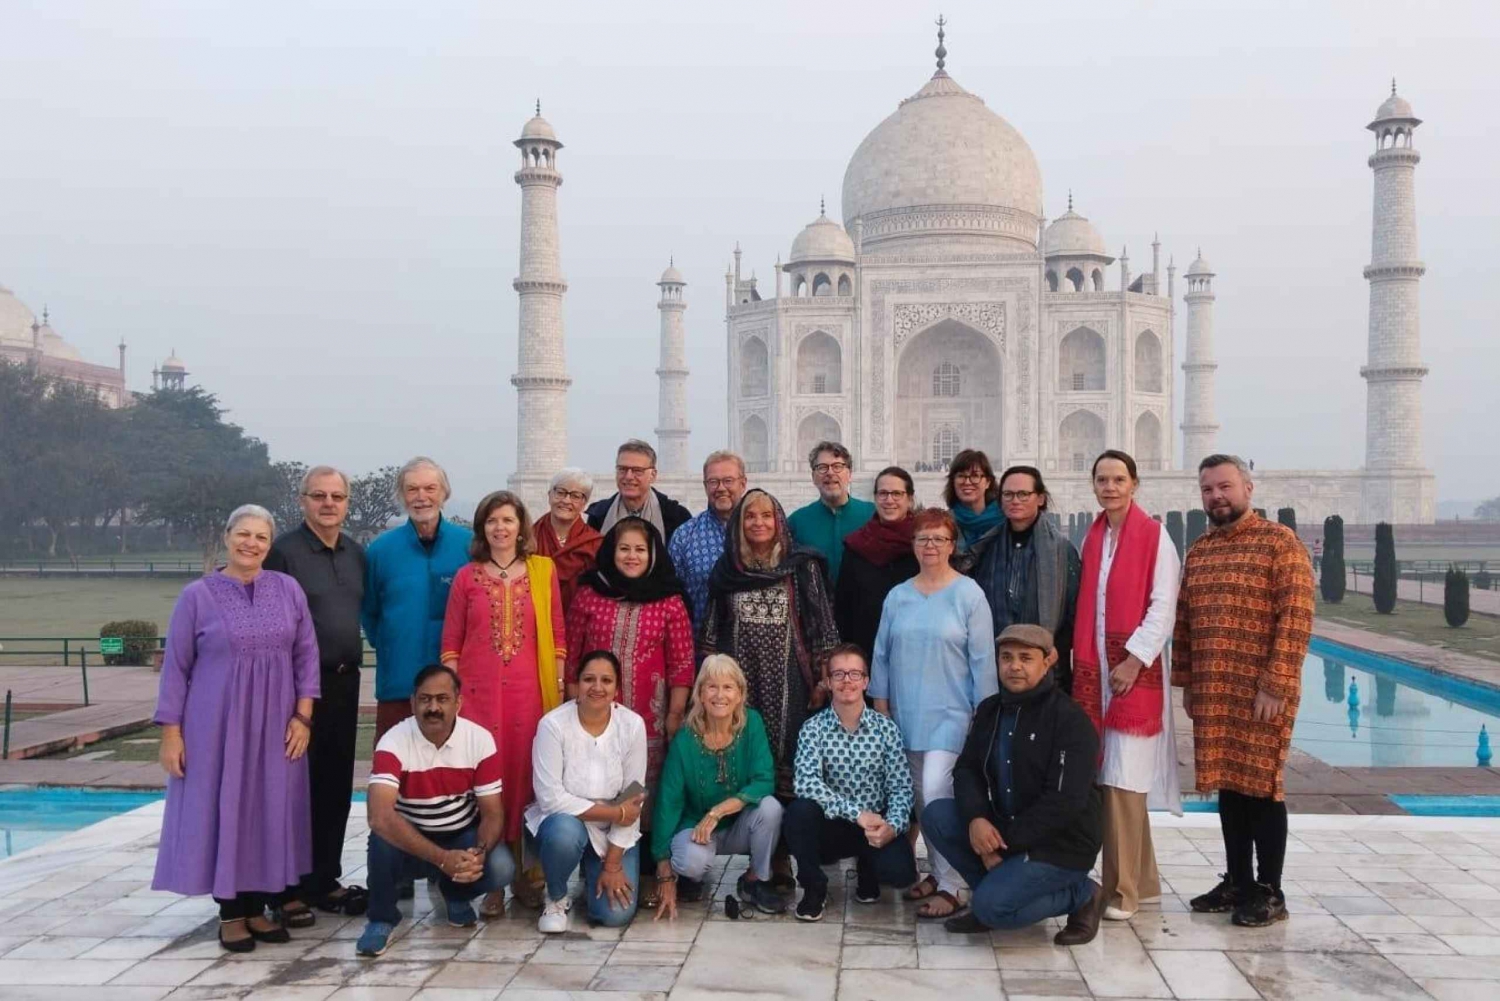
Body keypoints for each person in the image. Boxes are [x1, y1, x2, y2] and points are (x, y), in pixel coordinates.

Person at [153, 505, 320, 952]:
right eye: (243, 534)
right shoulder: (197, 596)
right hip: (214, 727)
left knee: (268, 809)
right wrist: (171, 732)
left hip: (277, 725)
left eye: (261, 537)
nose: (251, 544)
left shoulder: (287, 590)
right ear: (227, 536)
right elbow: (176, 668)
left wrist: (303, 716)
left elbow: (306, 657)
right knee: (223, 808)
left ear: (270, 544)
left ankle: (257, 907)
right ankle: (230, 912)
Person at [1174, 454, 1314, 927]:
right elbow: (1185, 623)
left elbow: (1295, 617)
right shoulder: (1200, 550)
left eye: (1225, 487)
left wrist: (1275, 684)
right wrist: (1189, 683)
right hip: (1215, 688)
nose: (1217, 496)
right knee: (1230, 787)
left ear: (1248, 489)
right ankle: (1237, 881)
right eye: (1209, 489)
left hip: (1261, 691)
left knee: (1262, 788)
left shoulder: (1280, 543)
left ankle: (1270, 891)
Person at [920, 624, 1104, 944]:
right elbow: (967, 770)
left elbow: (1063, 803)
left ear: (1047, 662)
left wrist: (1001, 846)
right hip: (1008, 830)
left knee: (993, 909)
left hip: (1059, 847)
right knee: (937, 813)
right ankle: (997, 888)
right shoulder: (992, 710)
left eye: (1025, 658)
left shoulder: (1069, 720)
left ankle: (1083, 894)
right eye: (1006, 657)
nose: (1014, 666)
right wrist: (978, 818)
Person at [441, 490, 565, 915]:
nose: (500, 528)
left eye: (507, 520)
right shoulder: (466, 577)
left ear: (521, 526)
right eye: (492, 520)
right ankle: (491, 880)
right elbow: (451, 644)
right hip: (477, 700)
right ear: (482, 528)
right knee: (484, 786)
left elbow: (558, 639)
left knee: (526, 782)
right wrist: (456, 700)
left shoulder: (542, 573)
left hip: (530, 698)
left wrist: (559, 689)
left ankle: (528, 879)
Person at [870, 507, 997, 920]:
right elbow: (882, 655)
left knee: (938, 794)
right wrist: (882, 707)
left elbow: (982, 660)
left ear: (952, 544)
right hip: (906, 712)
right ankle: (942, 873)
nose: (930, 546)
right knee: (922, 802)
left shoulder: (969, 595)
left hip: (952, 713)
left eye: (939, 539)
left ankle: (955, 886)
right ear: (913, 544)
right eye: (923, 538)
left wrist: (985, 713)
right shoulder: (899, 595)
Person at [1072, 449, 1181, 922]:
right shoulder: (1094, 538)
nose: (1110, 486)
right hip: (1096, 674)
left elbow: (1163, 608)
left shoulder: (1156, 537)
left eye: (1119, 479)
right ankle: (1148, 883)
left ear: (1135, 484)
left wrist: (1134, 660)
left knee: (1122, 784)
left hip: (1132, 677)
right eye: (1102, 479)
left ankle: (1122, 893)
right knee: (1115, 781)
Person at [566, 516, 695, 906]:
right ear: (611, 552)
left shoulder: (669, 600)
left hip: (650, 719)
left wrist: (674, 714)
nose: (632, 556)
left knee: (650, 792)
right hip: (594, 718)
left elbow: (682, 664)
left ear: (653, 554)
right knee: (596, 781)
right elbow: (572, 658)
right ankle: (595, 860)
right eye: (624, 548)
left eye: (640, 549)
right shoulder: (590, 595)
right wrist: (574, 712)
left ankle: (653, 867)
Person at [264, 466, 368, 920]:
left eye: (337, 496)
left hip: (344, 684)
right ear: (302, 500)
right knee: (292, 789)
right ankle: (284, 886)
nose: (329, 504)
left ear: (347, 502)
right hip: (295, 690)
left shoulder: (354, 553)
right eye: (319, 495)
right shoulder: (282, 553)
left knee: (334, 787)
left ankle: (323, 879)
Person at [356, 664, 517, 957]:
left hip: (459, 836)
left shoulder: (479, 739)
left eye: (442, 699)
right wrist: (442, 859)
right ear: (412, 702)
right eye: (425, 699)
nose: (433, 708)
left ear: (458, 703)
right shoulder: (393, 740)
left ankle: (455, 894)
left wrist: (478, 852)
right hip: (410, 844)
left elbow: (492, 813)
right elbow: (378, 816)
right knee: (381, 838)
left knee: (501, 866)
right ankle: (381, 919)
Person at [701, 489, 841, 798]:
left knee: (788, 760)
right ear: (739, 523)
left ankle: (783, 842)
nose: (758, 523)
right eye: (750, 516)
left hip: (791, 684)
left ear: (778, 521)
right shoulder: (728, 571)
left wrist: (823, 679)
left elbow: (823, 626)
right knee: (741, 754)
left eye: (766, 515)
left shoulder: (801, 566)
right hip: (738, 684)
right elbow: (711, 633)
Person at [785, 644, 916, 921]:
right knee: (798, 812)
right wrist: (857, 815)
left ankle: (868, 867)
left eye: (855, 674)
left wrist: (892, 827)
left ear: (866, 682)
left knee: (901, 874)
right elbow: (806, 783)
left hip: (874, 826)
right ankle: (813, 888)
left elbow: (901, 787)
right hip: (833, 825)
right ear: (828, 682)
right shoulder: (813, 728)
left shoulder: (886, 729)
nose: (847, 681)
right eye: (839, 674)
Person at [653, 655, 786, 919]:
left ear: (739, 694)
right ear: (700, 694)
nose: (720, 695)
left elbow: (764, 780)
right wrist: (664, 872)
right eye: (711, 686)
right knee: (691, 862)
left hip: (738, 825)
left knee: (771, 808)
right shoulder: (685, 739)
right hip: (696, 827)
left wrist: (719, 811)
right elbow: (668, 803)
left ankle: (755, 880)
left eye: (728, 687)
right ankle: (690, 878)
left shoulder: (752, 724)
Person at [525, 651, 648, 932]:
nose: (597, 687)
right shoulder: (553, 725)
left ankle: (592, 878)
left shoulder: (632, 725)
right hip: (564, 825)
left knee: (615, 915)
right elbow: (550, 798)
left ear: (616, 689)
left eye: (606, 680)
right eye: (588, 679)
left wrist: (613, 864)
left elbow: (633, 798)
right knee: (564, 833)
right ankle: (556, 897)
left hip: (612, 832)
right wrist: (614, 811)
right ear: (576, 684)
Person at [363, 456, 470, 743]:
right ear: (401, 496)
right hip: (398, 684)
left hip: (454, 686)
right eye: (412, 490)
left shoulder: (468, 546)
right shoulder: (380, 551)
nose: (421, 497)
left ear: (444, 493)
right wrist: (392, 643)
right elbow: (369, 612)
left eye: (430, 488)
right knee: (392, 773)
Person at [970, 465, 1082, 694]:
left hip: (1046, 667)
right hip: (996, 666)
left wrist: (1052, 652)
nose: (1015, 501)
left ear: (1040, 498)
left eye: (1023, 494)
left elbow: (1072, 612)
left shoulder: (1061, 551)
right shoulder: (986, 547)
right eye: (1008, 495)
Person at [834, 466, 918, 661]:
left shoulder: (924, 544)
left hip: (915, 654)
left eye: (897, 493)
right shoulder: (857, 546)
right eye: (883, 493)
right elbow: (844, 609)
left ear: (910, 499)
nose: (889, 500)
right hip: (867, 653)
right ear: (875, 498)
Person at [668, 450, 748, 628]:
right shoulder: (685, 536)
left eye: (728, 481)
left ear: (743, 484)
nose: (720, 488)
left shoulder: (762, 531)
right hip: (701, 649)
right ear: (705, 486)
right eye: (713, 481)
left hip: (756, 650)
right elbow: (672, 600)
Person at [786, 440, 874, 586]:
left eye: (837, 466)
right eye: (822, 468)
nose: (830, 473)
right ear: (813, 477)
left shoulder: (871, 515)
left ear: (849, 474)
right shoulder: (797, 521)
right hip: (814, 607)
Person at [585, 439, 692, 543]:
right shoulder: (598, 516)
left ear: (653, 475)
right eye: (622, 469)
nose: (628, 476)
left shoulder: (677, 517)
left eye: (637, 471)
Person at [532, 467, 604, 615]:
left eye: (575, 496)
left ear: (584, 503)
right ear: (549, 495)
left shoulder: (595, 544)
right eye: (560, 492)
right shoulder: (529, 537)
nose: (566, 500)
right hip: (535, 620)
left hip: (579, 621)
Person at [944, 449, 1002, 557]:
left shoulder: (1007, 522)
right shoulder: (944, 524)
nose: (967, 482)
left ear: (988, 482)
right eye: (961, 476)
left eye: (975, 476)